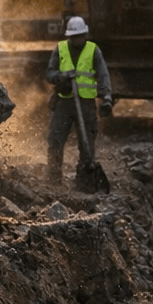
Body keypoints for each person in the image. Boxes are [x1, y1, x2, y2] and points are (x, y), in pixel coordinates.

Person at [45, 15, 113, 184]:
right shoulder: (60, 49)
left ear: (85, 35)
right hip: (65, 102)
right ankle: (54, 179)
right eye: (74, 37)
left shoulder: (93, 50)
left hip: (86, 104)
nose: (78, 40)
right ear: (69, 36)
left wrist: (107, 97)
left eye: (80, 36)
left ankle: (84, 179)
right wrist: (62, 76)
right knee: (55, 139)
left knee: (87, 142)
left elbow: (103, 75)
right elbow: (49, 73)